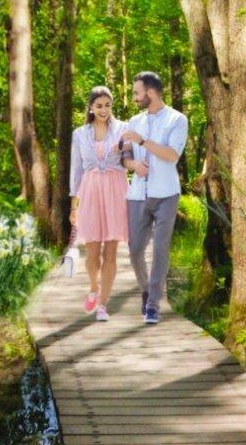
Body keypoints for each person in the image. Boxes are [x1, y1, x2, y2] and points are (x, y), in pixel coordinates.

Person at [120, 71, 186, 325]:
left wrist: (143, 141)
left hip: (166, 193)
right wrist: (134, 165)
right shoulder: (133, 121)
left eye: (137, 93)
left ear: (150, 93)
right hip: (137, 195)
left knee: (160, 249)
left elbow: (172, 155)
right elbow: (125, 157)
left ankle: (153, 305)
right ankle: (146, 290)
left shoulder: (177, 119)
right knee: (135, 249)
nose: (134, 98)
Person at [68, 86, 133, 323]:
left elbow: (130, 157)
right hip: (90, 190)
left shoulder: (123, 129)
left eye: (107, 105)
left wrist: (124, 148)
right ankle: (93, 287)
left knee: (111, 252)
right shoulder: (79, 134)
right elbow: (76, 170)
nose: (104, 110)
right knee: (92, 253)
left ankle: (103, 304)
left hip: (116, 190)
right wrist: (74, 206)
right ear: (91, 107)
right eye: (99, 106)